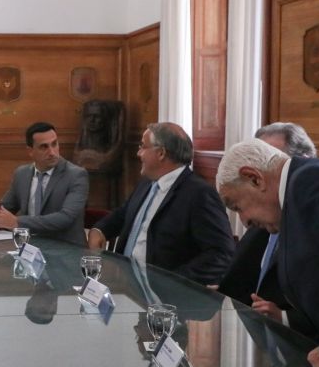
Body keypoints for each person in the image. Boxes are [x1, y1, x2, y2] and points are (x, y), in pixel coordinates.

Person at [217, 138, 319, 367]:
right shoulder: (307, 185)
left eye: (237, 206)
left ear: (254, 178)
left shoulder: (312, 182)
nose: (244, 221)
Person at [88, 122, 234, 285]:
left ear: (161, 153)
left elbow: (221, 254)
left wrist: (170, 281)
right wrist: (100, 230)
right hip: (125, 284)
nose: (138, 153)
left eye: (143, 147)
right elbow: (124, 213)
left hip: (164, 300)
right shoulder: (147, 182)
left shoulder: (199, 194)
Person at [218, 123, 315, 332]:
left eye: (271, 159)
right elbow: (240, 277)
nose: (244, 221)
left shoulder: (315, 217)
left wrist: (286, 318)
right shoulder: (264, 218)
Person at [0, 122, 89, 245]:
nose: (52, 152)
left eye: (54, 144)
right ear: (30, 151)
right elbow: (5, 208)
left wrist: (17, 222)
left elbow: (65, 218)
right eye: (44, 147)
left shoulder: (76, 175)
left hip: (66, 250)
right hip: (29, 248)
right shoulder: (22, 174)